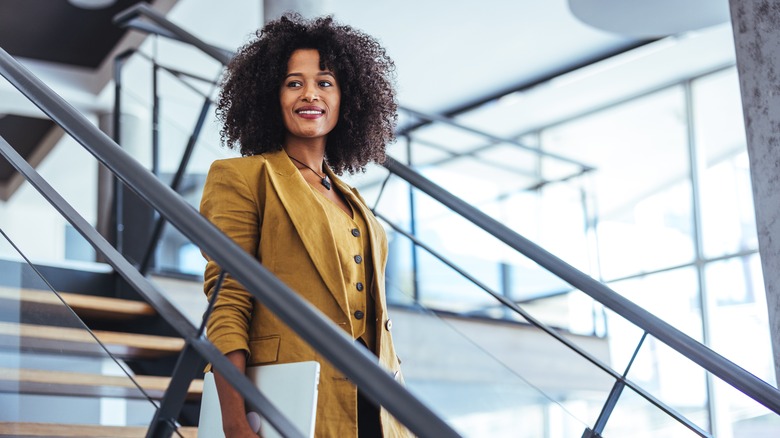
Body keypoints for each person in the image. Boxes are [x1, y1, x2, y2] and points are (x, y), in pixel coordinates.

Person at [199, 13, 410, 438]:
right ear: (270, 96)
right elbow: (228, 301)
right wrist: (235, 420)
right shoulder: (242, 177)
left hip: (379, 406)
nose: (309, 94)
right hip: (297, 399)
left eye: (325, 82)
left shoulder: (354, 200)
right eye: (294, 82)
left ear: (347, 98)